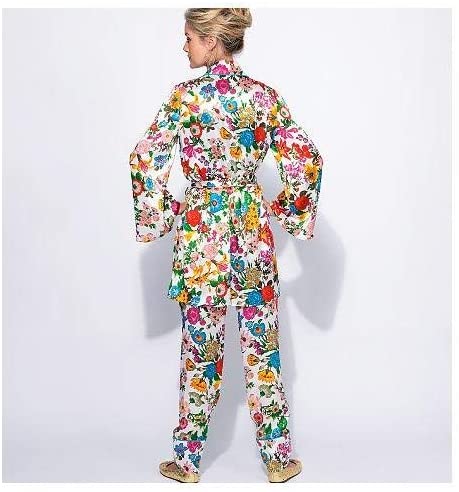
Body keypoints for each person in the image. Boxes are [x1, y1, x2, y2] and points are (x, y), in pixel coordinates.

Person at [128, 7, 323, 483]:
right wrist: (284, 209)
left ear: (212, 41)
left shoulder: (185, 98)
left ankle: (186, 462)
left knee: (199, 351)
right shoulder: (263, 97)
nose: (184, 45)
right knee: (262, 349)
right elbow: (306, 160)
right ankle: (278, 460)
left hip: (201, 236)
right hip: (251, 233)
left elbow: (144, 159)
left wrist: (166, 213)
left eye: (189, 37)